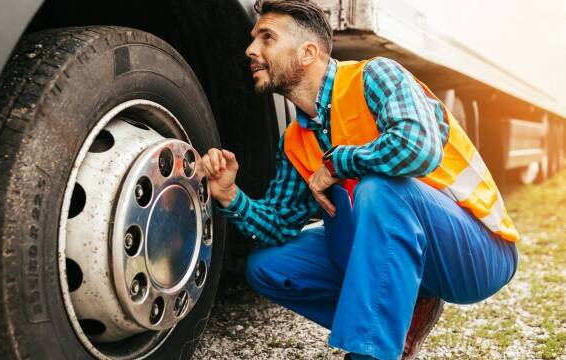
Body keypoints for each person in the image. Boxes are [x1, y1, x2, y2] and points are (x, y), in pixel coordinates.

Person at [199, 1, 519, 359]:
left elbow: (419, 148)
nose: (251, 50)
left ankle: (371, 351)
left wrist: (338, 164)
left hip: (478, 251)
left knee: (378, 189)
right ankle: (402, 318)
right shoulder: (295, 140)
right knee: (268, 268)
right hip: (410, 253)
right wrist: (229, 195)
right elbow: (278, 226)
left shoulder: (375, 77)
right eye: (253, 38)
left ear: (308, 53)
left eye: (266, 37)